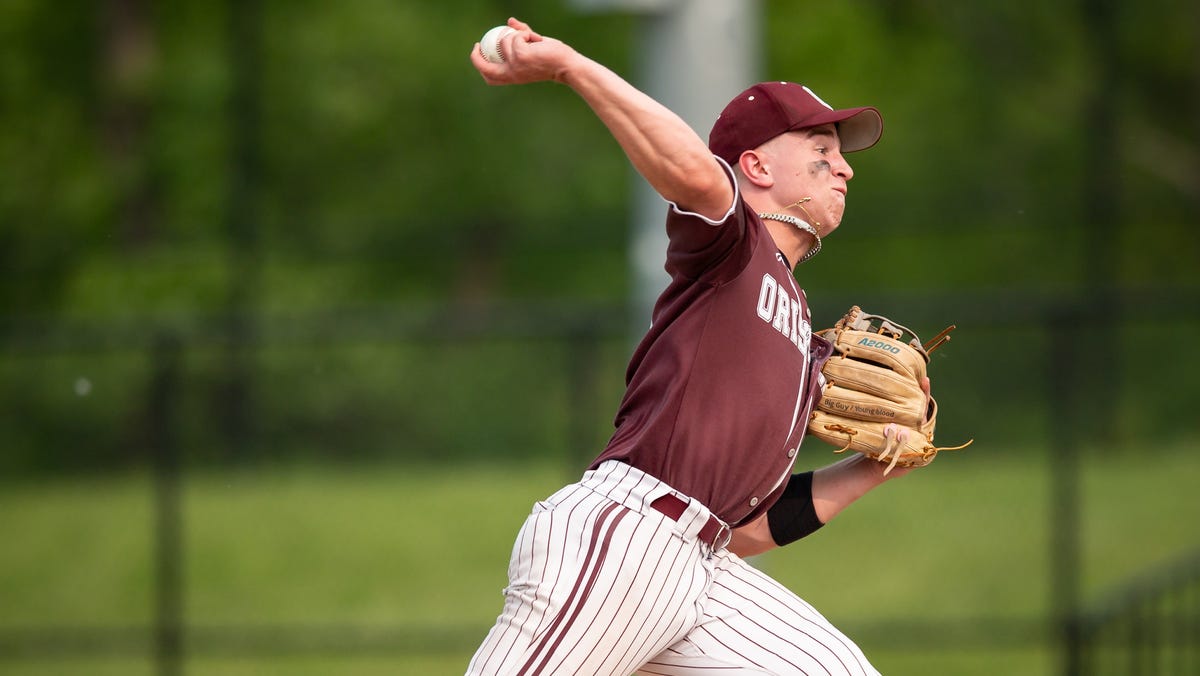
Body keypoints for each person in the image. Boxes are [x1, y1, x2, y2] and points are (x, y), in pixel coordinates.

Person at [467, 18, 924, 676]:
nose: (845, 165)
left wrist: (873, 470)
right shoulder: (734, 246)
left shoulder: (801, 331)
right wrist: (571, 65)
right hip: (625, 539)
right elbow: (692, 173)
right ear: (757, 165)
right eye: (822, 144)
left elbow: (749, 527)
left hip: (702, 565)